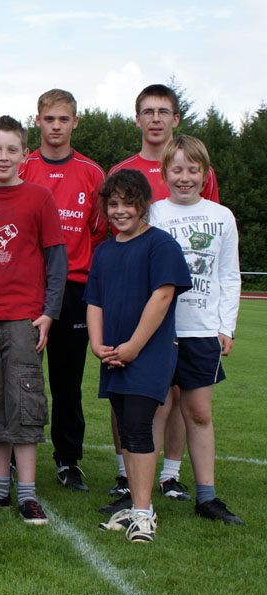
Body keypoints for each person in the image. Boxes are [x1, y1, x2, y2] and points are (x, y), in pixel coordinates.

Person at [107, 84, 220, 502]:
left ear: (175, 119)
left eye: (164, 111)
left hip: (192, 315)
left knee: (182, 399)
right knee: (136, 398)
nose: (155, 118)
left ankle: (171, 474)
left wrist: (224, 323)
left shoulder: (199, 180)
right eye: (148, 111)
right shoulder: (126, 170)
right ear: (138, 118)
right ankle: (127, 475)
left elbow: (210, 236)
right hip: (141, 311)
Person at [0, 116, 67, 524]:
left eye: (12, 149)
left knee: (24, 404)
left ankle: (28, 494)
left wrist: (49, 312)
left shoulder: (39, 198)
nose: (3, 157)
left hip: (23, 319)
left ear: (25, 154)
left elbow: (57, 259)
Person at [87, 169, 191, 543]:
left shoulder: (161, 245)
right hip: (113, 354)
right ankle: (136, 504)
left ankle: (144, 513)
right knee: (125, 431)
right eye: (113, 204)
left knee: (138, 425)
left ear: (143, 204)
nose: (120, 211)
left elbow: (162, 297)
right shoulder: (106, 250)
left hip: (146, 354)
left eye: (128, 203)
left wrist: (132, 347)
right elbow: (94, 301)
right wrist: (98, 344)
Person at [147, 136, 243, 524]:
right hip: (160, 330)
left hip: (202, 331)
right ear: (165, 172)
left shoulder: (222, 217)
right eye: (177, 170)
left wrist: (227, 326)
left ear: (205, 175)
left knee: (199, 413)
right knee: (154, 410)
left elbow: (228, 275)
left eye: (193, 170)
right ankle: (140, 495)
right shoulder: (152, 213)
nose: (184, 178)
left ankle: (207, 498)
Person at [20, 90, 107, 491]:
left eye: (64, 119)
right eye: (49, 118)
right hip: (27, 289)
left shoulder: (92, 172)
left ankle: (68, 461)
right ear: (37, 119)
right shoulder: (23, 166)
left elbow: (99, 230)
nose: (56, 126)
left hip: (74, 290)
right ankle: (11, 459)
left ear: (76, 122)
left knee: (68, 382)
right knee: (21, 377)